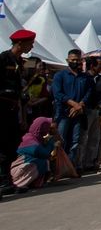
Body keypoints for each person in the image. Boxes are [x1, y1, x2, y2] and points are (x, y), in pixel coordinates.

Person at [1, 29, 35, 186]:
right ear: (20, 43)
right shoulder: (3, 59)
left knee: (11, 146)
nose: (32, 46)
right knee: (2, 146)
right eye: (30, 43)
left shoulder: (19, 63)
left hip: (14, 111)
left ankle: (7, 180)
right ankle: (3, 181)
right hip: (2, 109)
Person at [50, 48, 94, 167]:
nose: (75, 62)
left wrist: (80, 105)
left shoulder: (85, 77)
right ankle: (57, 167)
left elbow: (89, 92)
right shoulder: (60, 75)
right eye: (73, 60)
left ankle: (70, 166)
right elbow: (57, 93)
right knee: (61, 140)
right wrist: (73, 104)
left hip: (79, 113)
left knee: (75, 142)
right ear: (67, 60)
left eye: (77, 60)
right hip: (63, 113)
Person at [9, 117, 57, 190]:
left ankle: (33, 183)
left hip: (22, 171)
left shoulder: (37, 138)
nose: (48, 130)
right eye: (47, 127)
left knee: (43, 162)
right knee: (39, 162)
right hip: (18, 172)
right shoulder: (30, 140)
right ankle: (18, 184)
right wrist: (51, 142)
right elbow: (44, 153)